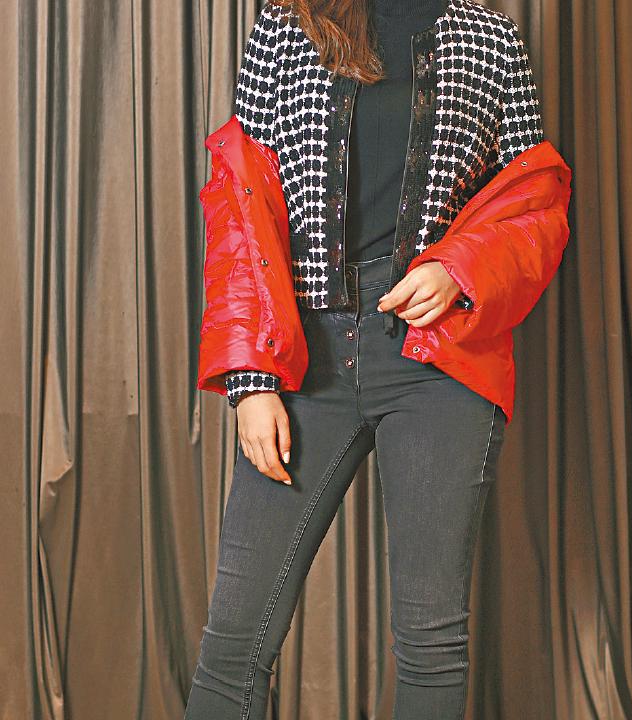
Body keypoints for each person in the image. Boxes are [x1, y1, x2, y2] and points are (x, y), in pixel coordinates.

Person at [185, 0, 571, 717]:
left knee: (430, 641)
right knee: (236, 640)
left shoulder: (489, 36)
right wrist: (252, 380)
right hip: (305, 355)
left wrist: (460, 269)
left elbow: (536, 201)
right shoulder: (287, 25)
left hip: (438, 359)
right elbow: (240, 200)